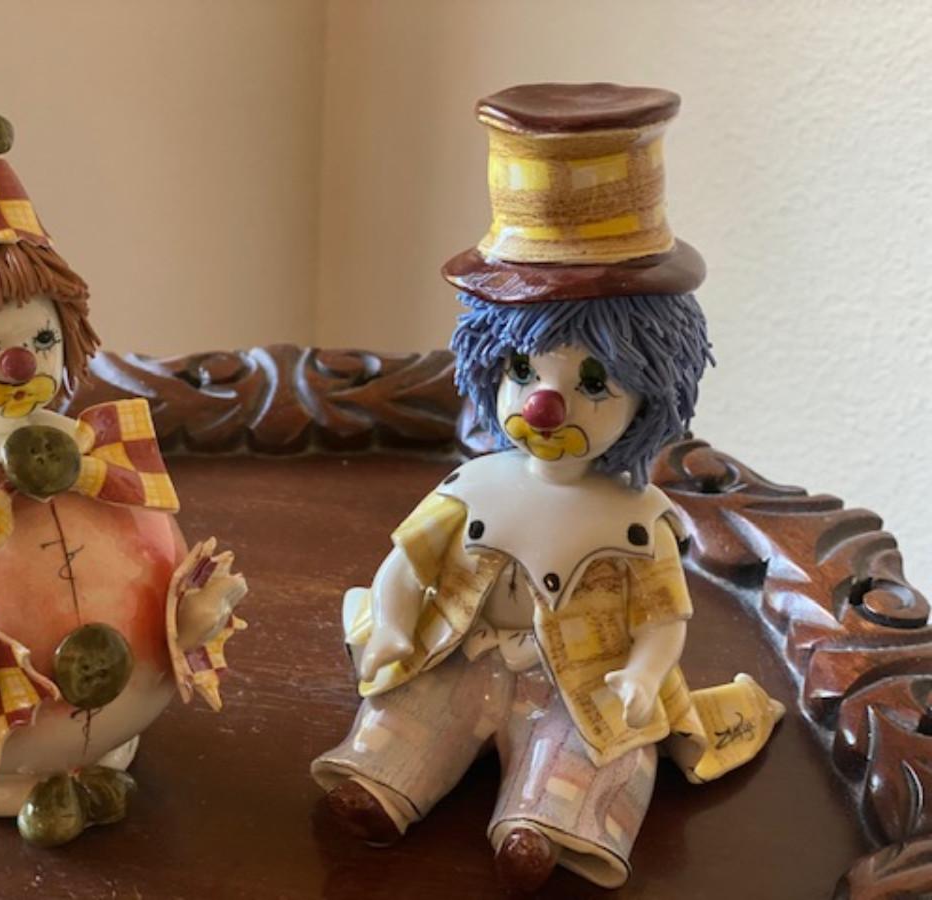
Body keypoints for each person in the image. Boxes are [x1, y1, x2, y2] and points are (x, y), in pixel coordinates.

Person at [311, 83, 784, 894]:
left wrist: (641, 677)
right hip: (464, 658)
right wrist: (390, 623)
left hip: (580, 685)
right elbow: (405, 569)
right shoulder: (471, 489)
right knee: (407, 710)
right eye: (523, 371)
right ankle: (381, 784)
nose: (542, 404)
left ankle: (541, 826)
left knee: (592, 750)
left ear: (650, 394)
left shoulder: (637, 523)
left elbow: (662, 621)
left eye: (592, 382)